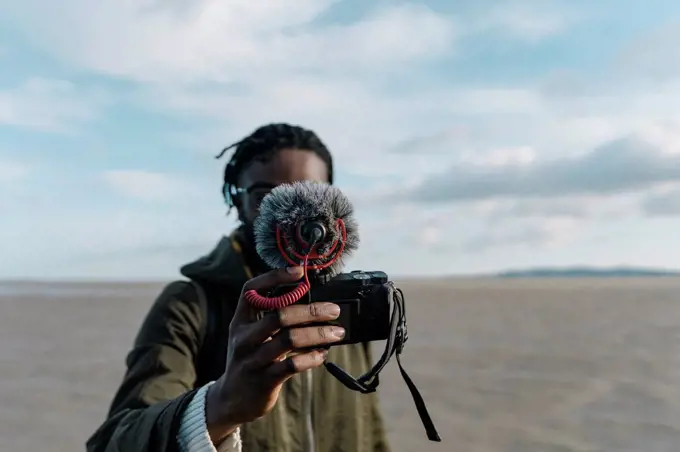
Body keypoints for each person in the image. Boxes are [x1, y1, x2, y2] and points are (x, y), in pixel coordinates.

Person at [86, 123, 390, 452]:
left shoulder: (344, 300)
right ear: (238, 201)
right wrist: (219, 406)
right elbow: (114, 441)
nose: (290, 218)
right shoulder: (190, 305)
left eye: (309, 195)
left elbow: (368, 426)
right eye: (266, 197)